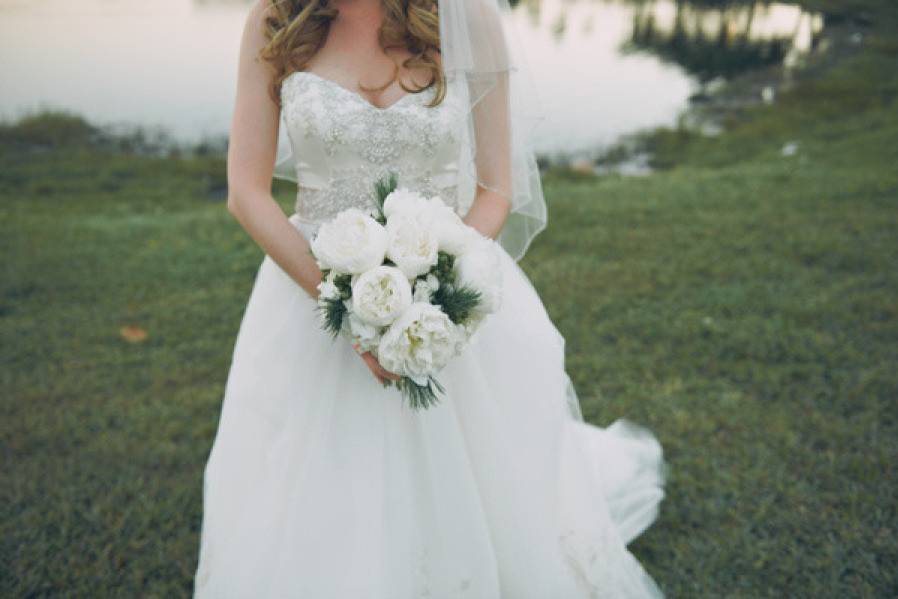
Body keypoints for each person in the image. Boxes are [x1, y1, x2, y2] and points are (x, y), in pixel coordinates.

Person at [193, 0, 667, 596]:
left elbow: (495, 188)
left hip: (440, 294)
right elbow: (246, 192)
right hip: (309, 292)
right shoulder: (277, 15)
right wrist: (350, 307)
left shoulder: (466, 17)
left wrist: (429, 296)